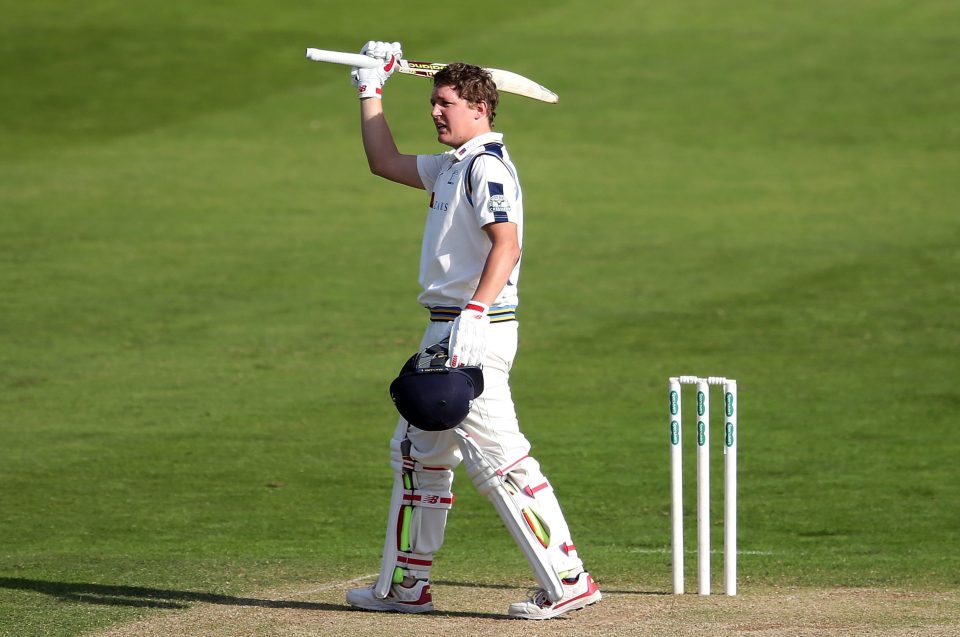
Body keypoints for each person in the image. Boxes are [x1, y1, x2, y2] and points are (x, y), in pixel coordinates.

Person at [342, 40, 601, 620]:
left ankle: (569, 579)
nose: (435, 112)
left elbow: (507, 245)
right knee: (418, 455)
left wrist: (475, 314)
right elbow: (384, 162)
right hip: (444, 329)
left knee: (501, 461)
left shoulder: (486, 165)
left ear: (480, 109)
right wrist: (370, 90)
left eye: (446, 103)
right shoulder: (453, 164)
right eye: (433, 102)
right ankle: (409, 586)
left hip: (475, 331)